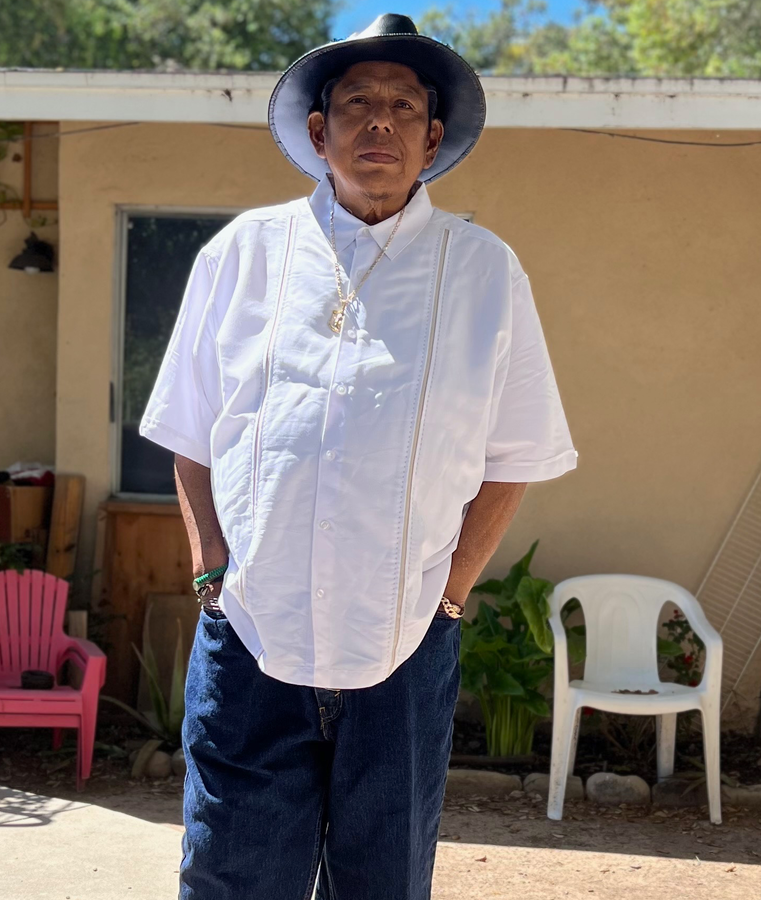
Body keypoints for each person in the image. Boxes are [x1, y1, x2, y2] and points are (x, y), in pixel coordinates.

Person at [139, 13, 577, 899]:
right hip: (253, 635)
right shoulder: (243, 256)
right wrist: (211, 571)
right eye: (357, 104)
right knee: (231, 878)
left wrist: (449, 595)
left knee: (383, 882)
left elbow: (518, 454)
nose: (381, 122)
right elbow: (189, 429)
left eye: (404, 107)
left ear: (433, 139)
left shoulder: (484, 272)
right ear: (318, 131)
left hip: (404, 641)